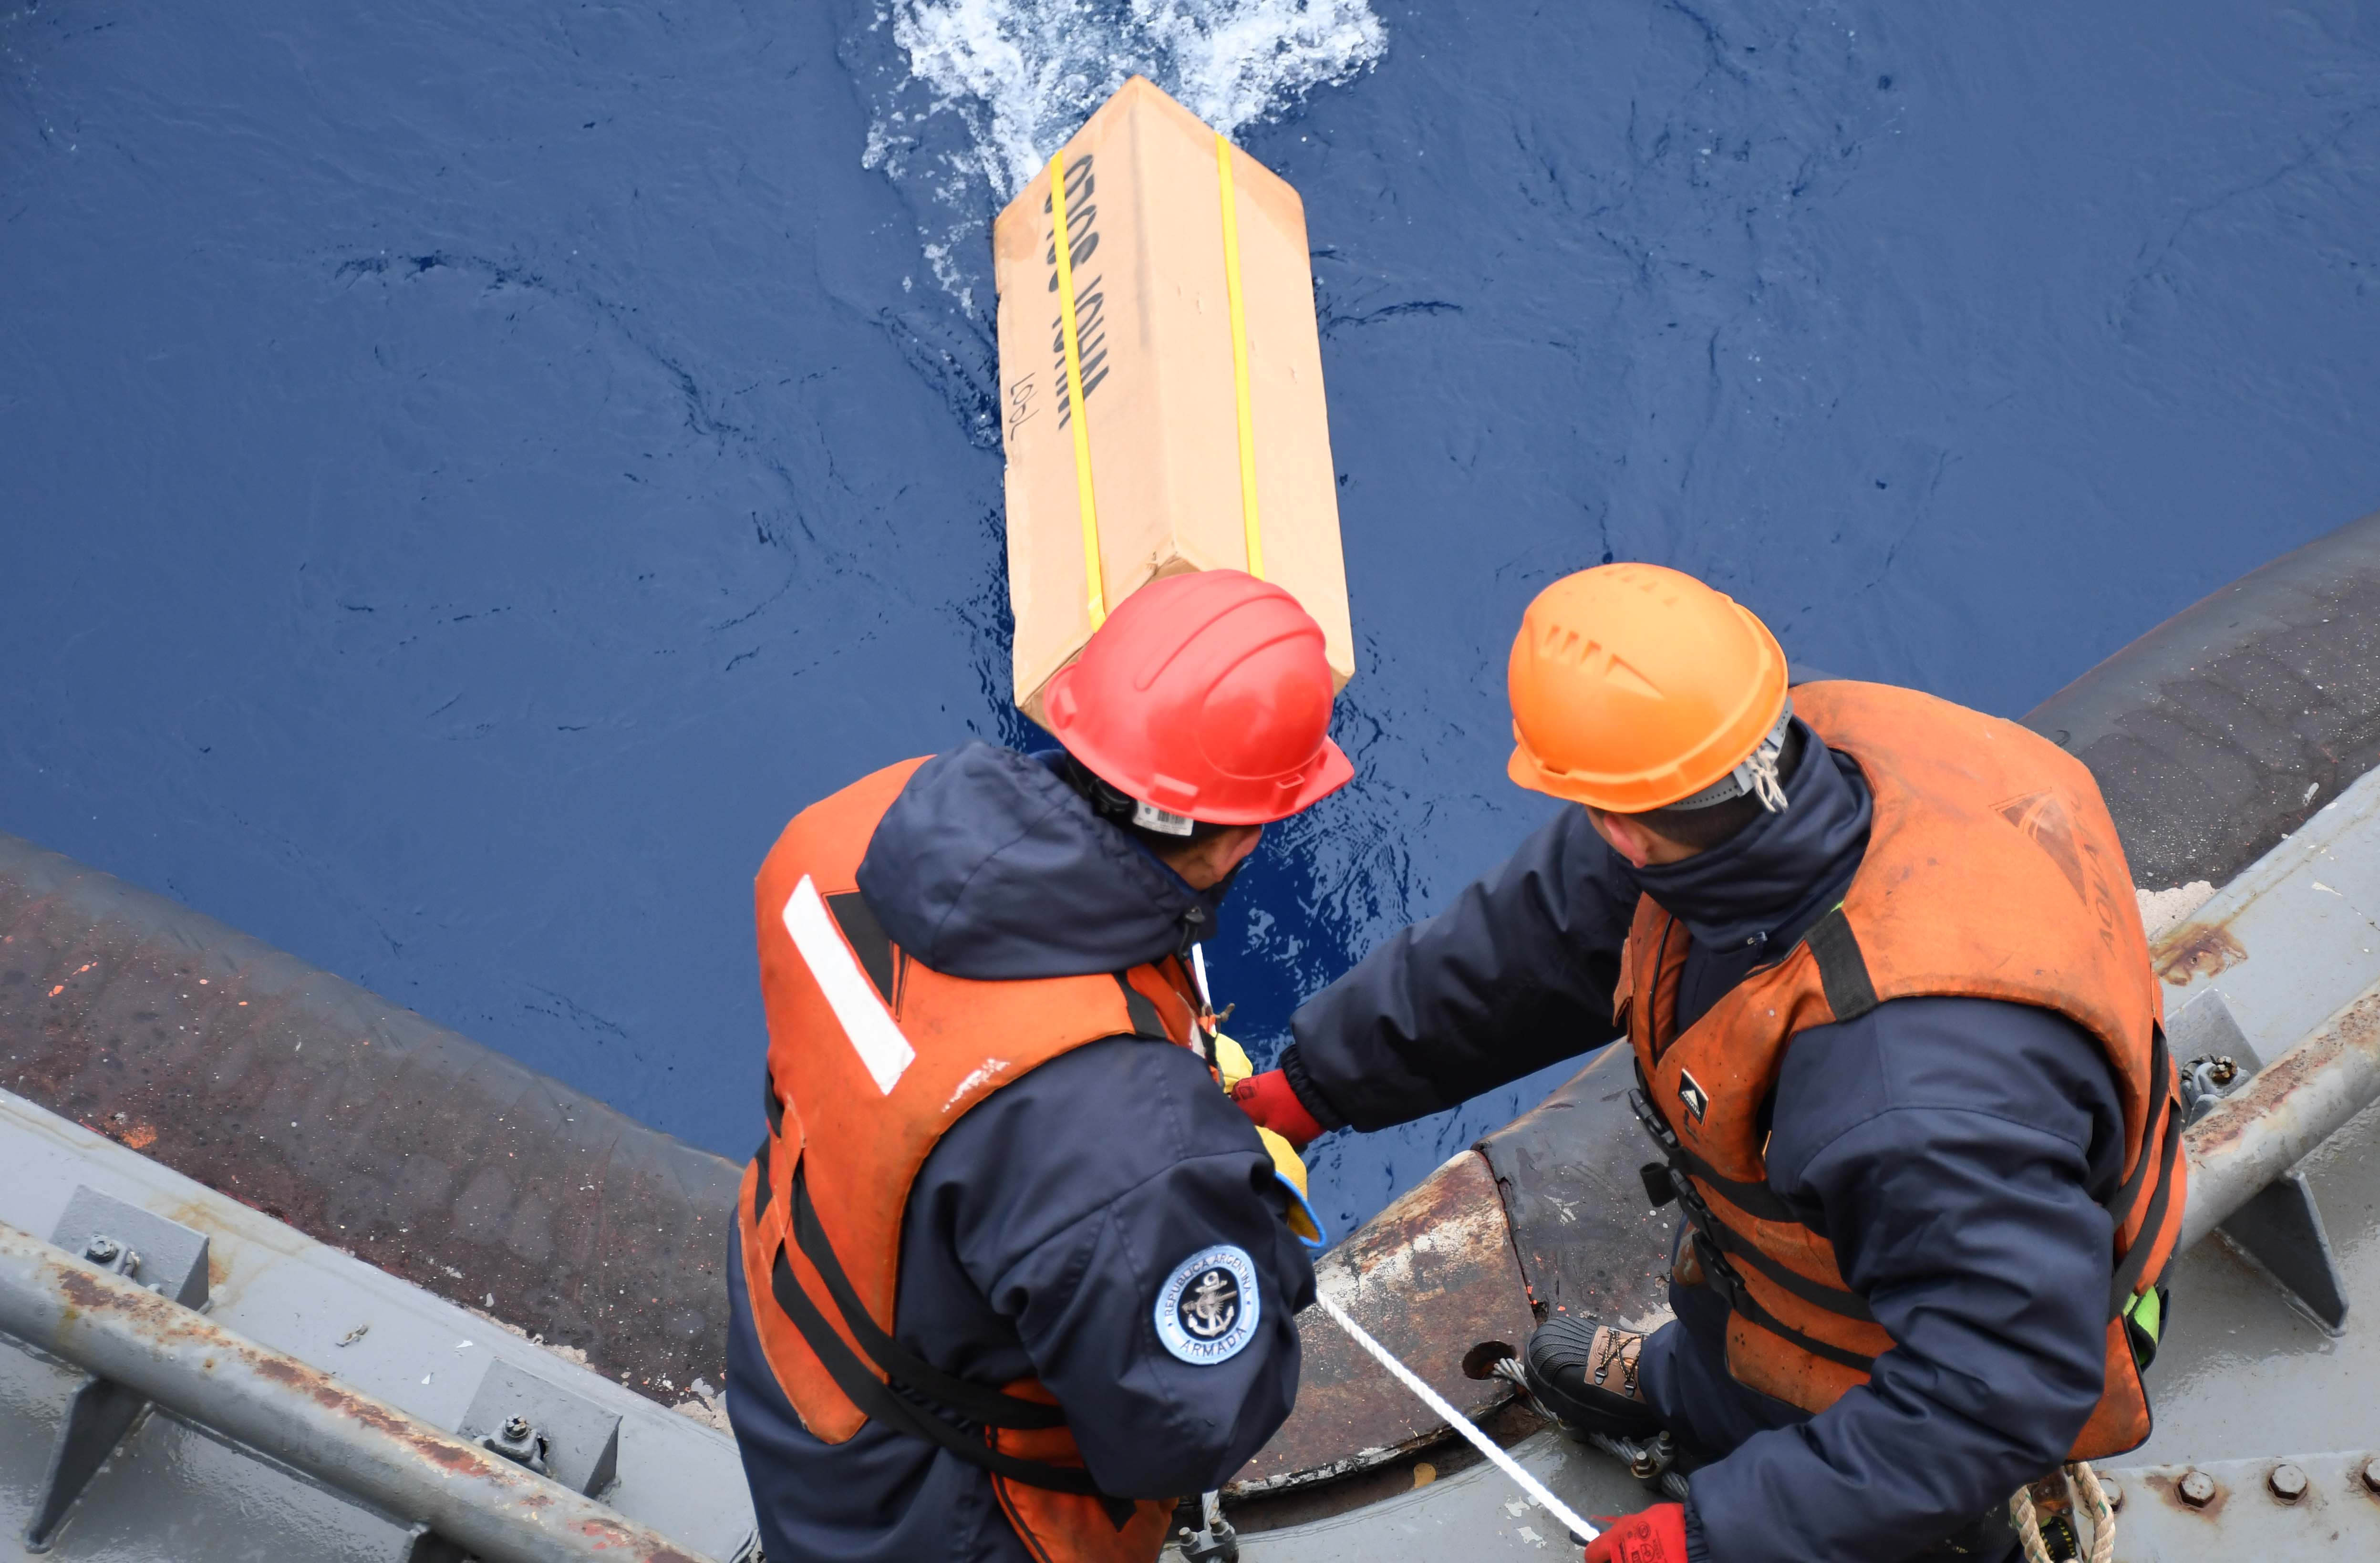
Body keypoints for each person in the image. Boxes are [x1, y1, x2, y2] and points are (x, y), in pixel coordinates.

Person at [1230, 563, 2185, 1562]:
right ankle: (1702, 1393)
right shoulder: (1783, 750)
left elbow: (1999, 1389)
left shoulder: (1900, 1095)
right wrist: (1320, 1082)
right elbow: (1550, 930)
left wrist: (1718, 1535)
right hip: (1837, 1277)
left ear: (1616, 814)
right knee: (1743, 1351)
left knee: (1920, 1493)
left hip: (1938, 1345)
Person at [726, 569, 1340, 1563]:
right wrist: (1246, 1204)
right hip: (949, 1513)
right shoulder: (1129, 1138)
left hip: (790, 1350)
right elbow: (1194, 1426)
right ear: (1242, 834)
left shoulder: (846, 824)